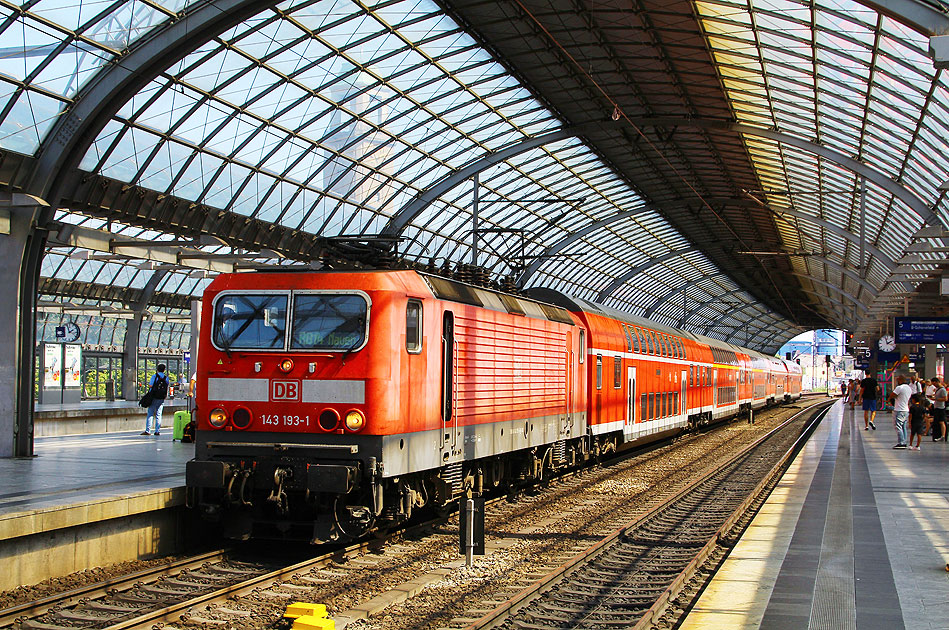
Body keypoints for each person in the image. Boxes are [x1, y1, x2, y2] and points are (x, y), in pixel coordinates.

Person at [142, 363, 169, 436]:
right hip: (161, 398)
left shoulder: (154, 376)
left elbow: (151, 385)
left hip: (154, 397)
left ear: (157, 369)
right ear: (164, 370)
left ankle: (148, 430)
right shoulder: (166, 378)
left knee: (150, 413)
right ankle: (157, 431)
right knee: (159, 414)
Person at [888, 374, 912, 449]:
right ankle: (904, 441)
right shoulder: (909, 388)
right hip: (906, 409)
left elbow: (892, 395)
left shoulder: (899, 388)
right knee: (903, 427)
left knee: (898, 426)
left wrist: (889, 400)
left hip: (899, 409)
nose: (897, 381)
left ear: (900, 380)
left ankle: (901, 443)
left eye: (897, 380)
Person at [932, 377, 947, 442]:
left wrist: (936, 399)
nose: (934, 385)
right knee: (937, 422)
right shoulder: (937, 389)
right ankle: (938, 435)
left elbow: (945, 399)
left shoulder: (943, 390)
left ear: (937, 382)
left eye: (934, 383)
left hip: (941, 408)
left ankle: (943, 435)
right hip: (937, 407)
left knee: (941, 422)